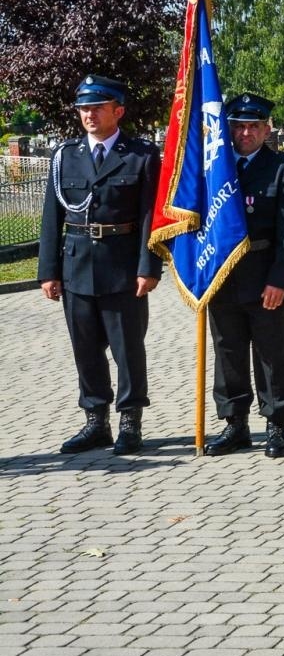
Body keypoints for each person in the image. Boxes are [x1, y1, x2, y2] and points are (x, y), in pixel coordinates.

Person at [38, 75, 162, 456]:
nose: (88, 114)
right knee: (86, 348)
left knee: (128, 349)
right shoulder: (65, 156)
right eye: (83, 108)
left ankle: (130, 421)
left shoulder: (140, 156)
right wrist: (49, 271)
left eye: (96, 107)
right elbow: (51, 217)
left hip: (122, 266)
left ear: (117, 111)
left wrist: (149, 267)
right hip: (76, 266)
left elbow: (148, 217)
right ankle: (96, 420)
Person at [203, 93, 284, 458]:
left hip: (265, 274)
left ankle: (276, 424)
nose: (245, 133)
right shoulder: (213, 169)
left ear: (266, 129)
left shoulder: (283, 169)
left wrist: (280, 279)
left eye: (253, 126)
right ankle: (234, 423)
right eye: (238, 126)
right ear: (227, 129)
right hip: (222, 276)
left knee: (271, 352)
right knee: (227, 351)